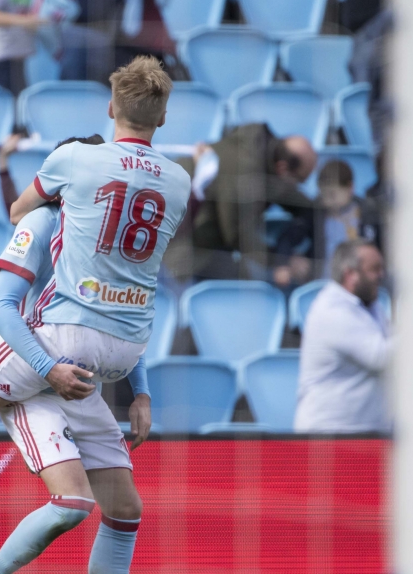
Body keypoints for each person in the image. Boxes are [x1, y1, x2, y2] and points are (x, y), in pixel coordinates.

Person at [0, 56, 188, 574]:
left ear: (111, 105)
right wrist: (140, 391)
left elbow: (18, 216)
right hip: (121, 350)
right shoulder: (179, 182)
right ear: (163, 117)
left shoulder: (63, 182)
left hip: (57, 347)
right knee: (114, 508)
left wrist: (49, 368)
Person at [0, 135, 153, 574]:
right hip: (30, 362)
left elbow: (123, 323)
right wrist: (47, 367)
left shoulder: (110, 240)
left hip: (82, 381)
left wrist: (141, 393)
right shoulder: (43, 222)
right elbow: (1, 307)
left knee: (121, 510)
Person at [166, 126, 319, 285]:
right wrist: (281, 260)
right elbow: (237, 235)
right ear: (283, 168)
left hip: (206, 239)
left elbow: (299, 202)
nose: (298, 188)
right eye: (300, 181)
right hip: (182, 246)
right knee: (250, 288)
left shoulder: (261, 154)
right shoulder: (245, 171)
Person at [294, 240, 391, 433]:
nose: (381, 275)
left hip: (362, 435)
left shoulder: (370, 306)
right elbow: (382, 356)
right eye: (374, 269)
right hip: (327, 438)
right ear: (350, 274)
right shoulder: (332, 310)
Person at [308, 159, 382, 279]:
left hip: (358, 285)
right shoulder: (315, 213)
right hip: (323, 283)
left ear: (350, 187)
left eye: (332, 195)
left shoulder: (369, 213)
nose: (326, 202)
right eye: (323, 195)